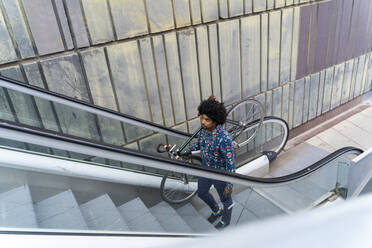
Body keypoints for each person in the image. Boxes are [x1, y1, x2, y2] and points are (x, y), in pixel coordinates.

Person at [182, 96, 235, 229]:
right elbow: (198, 145)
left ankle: (226, 220)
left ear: (216, 120)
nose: (203, 122)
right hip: (206, 169)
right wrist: (185, 152)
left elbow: (230, 162)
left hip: (220, 174)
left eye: (207, 120)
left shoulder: (224, 138)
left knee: (226, 199)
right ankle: (216, 210)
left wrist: (229, 184)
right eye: (202, 118)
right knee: (202, 192)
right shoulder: (203, 131)